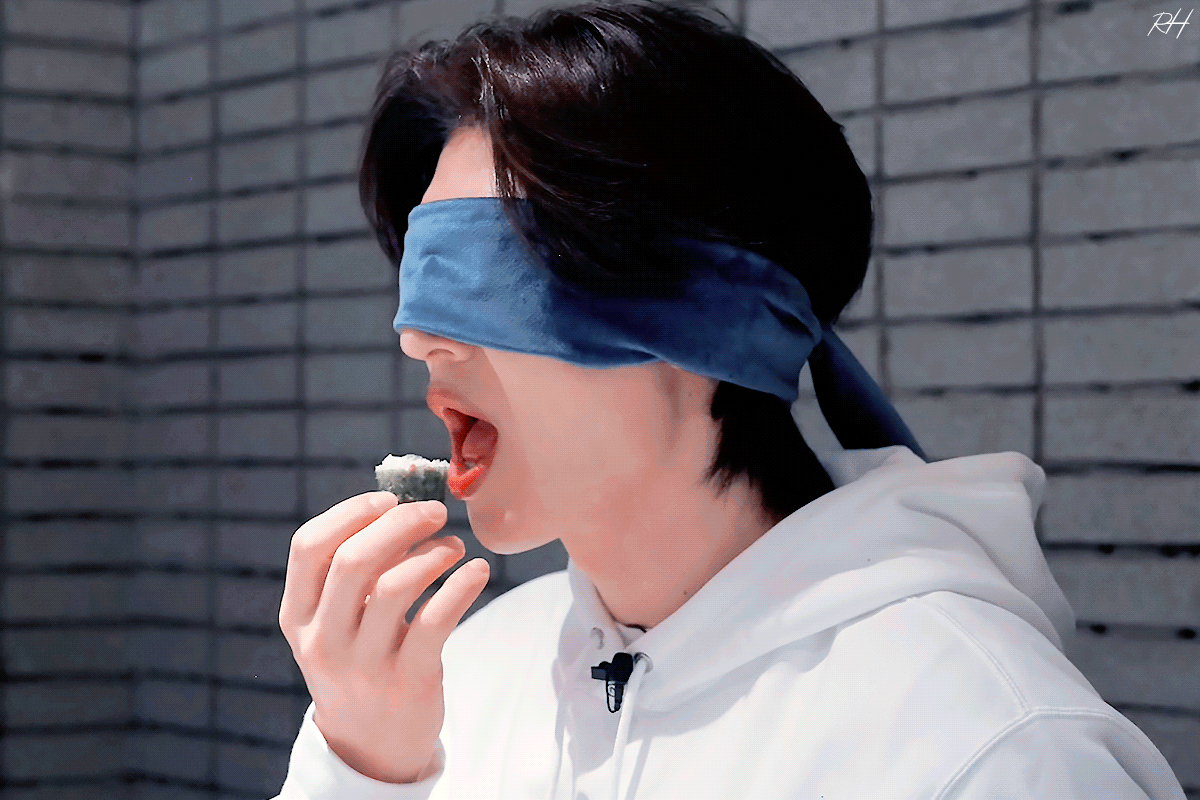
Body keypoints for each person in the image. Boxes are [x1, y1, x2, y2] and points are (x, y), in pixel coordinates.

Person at [272, 3, 1187, 798]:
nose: (418, 338)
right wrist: (365, 769)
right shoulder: (461, 681)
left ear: (706, 325)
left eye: (484, 279)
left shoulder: (992, 751)